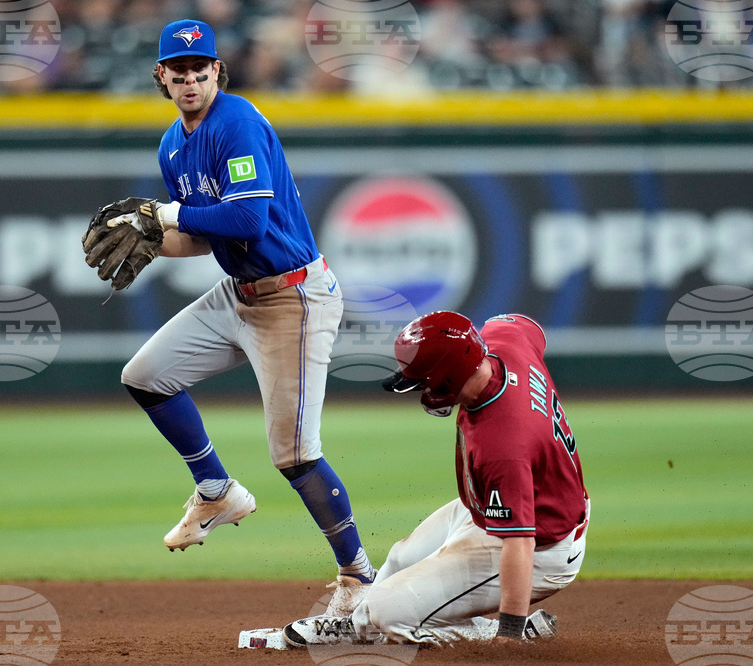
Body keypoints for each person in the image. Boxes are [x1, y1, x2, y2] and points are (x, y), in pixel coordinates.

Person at [115, 19, 376, 616]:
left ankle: (358, 576)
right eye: (178, 72)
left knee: (294, 455)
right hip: (239, 293)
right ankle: (216, 490)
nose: (190, 80)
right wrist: (153, 237)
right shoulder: (171, 145)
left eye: (200, 70)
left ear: (217, 71)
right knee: (145, 374)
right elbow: (203, 237)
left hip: (293, 297)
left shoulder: (236, 121)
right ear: (162, 76)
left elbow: (248, 221)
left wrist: (167, 212)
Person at [284, 311, 590, 645]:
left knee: (387, 613)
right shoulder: (505, 341)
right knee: (401, 558)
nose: (422, 390)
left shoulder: (503, 442)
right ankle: (359, 617)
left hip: (541, 546)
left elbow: (520, 542)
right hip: (504, 504)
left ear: (448, 375)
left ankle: (501, 631)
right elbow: (524, 324)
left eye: (424, 380)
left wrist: (510, 630)